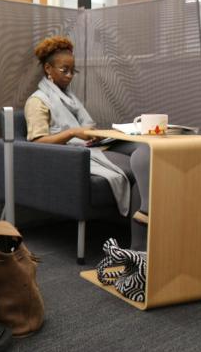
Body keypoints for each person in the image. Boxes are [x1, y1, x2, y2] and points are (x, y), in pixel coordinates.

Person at [24, 35, 149, 250]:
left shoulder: (71, 98)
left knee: (146, 149)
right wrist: (74, 132)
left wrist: (94, 133)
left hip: (91, 145)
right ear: (48, 69)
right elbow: (38, 141)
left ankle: (148, 218)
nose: (70, 76)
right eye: (65, 70)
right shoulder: (37, 101)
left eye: (73, 71)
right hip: (72, 155)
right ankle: (139, 245)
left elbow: (86, 125)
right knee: (138, 172)